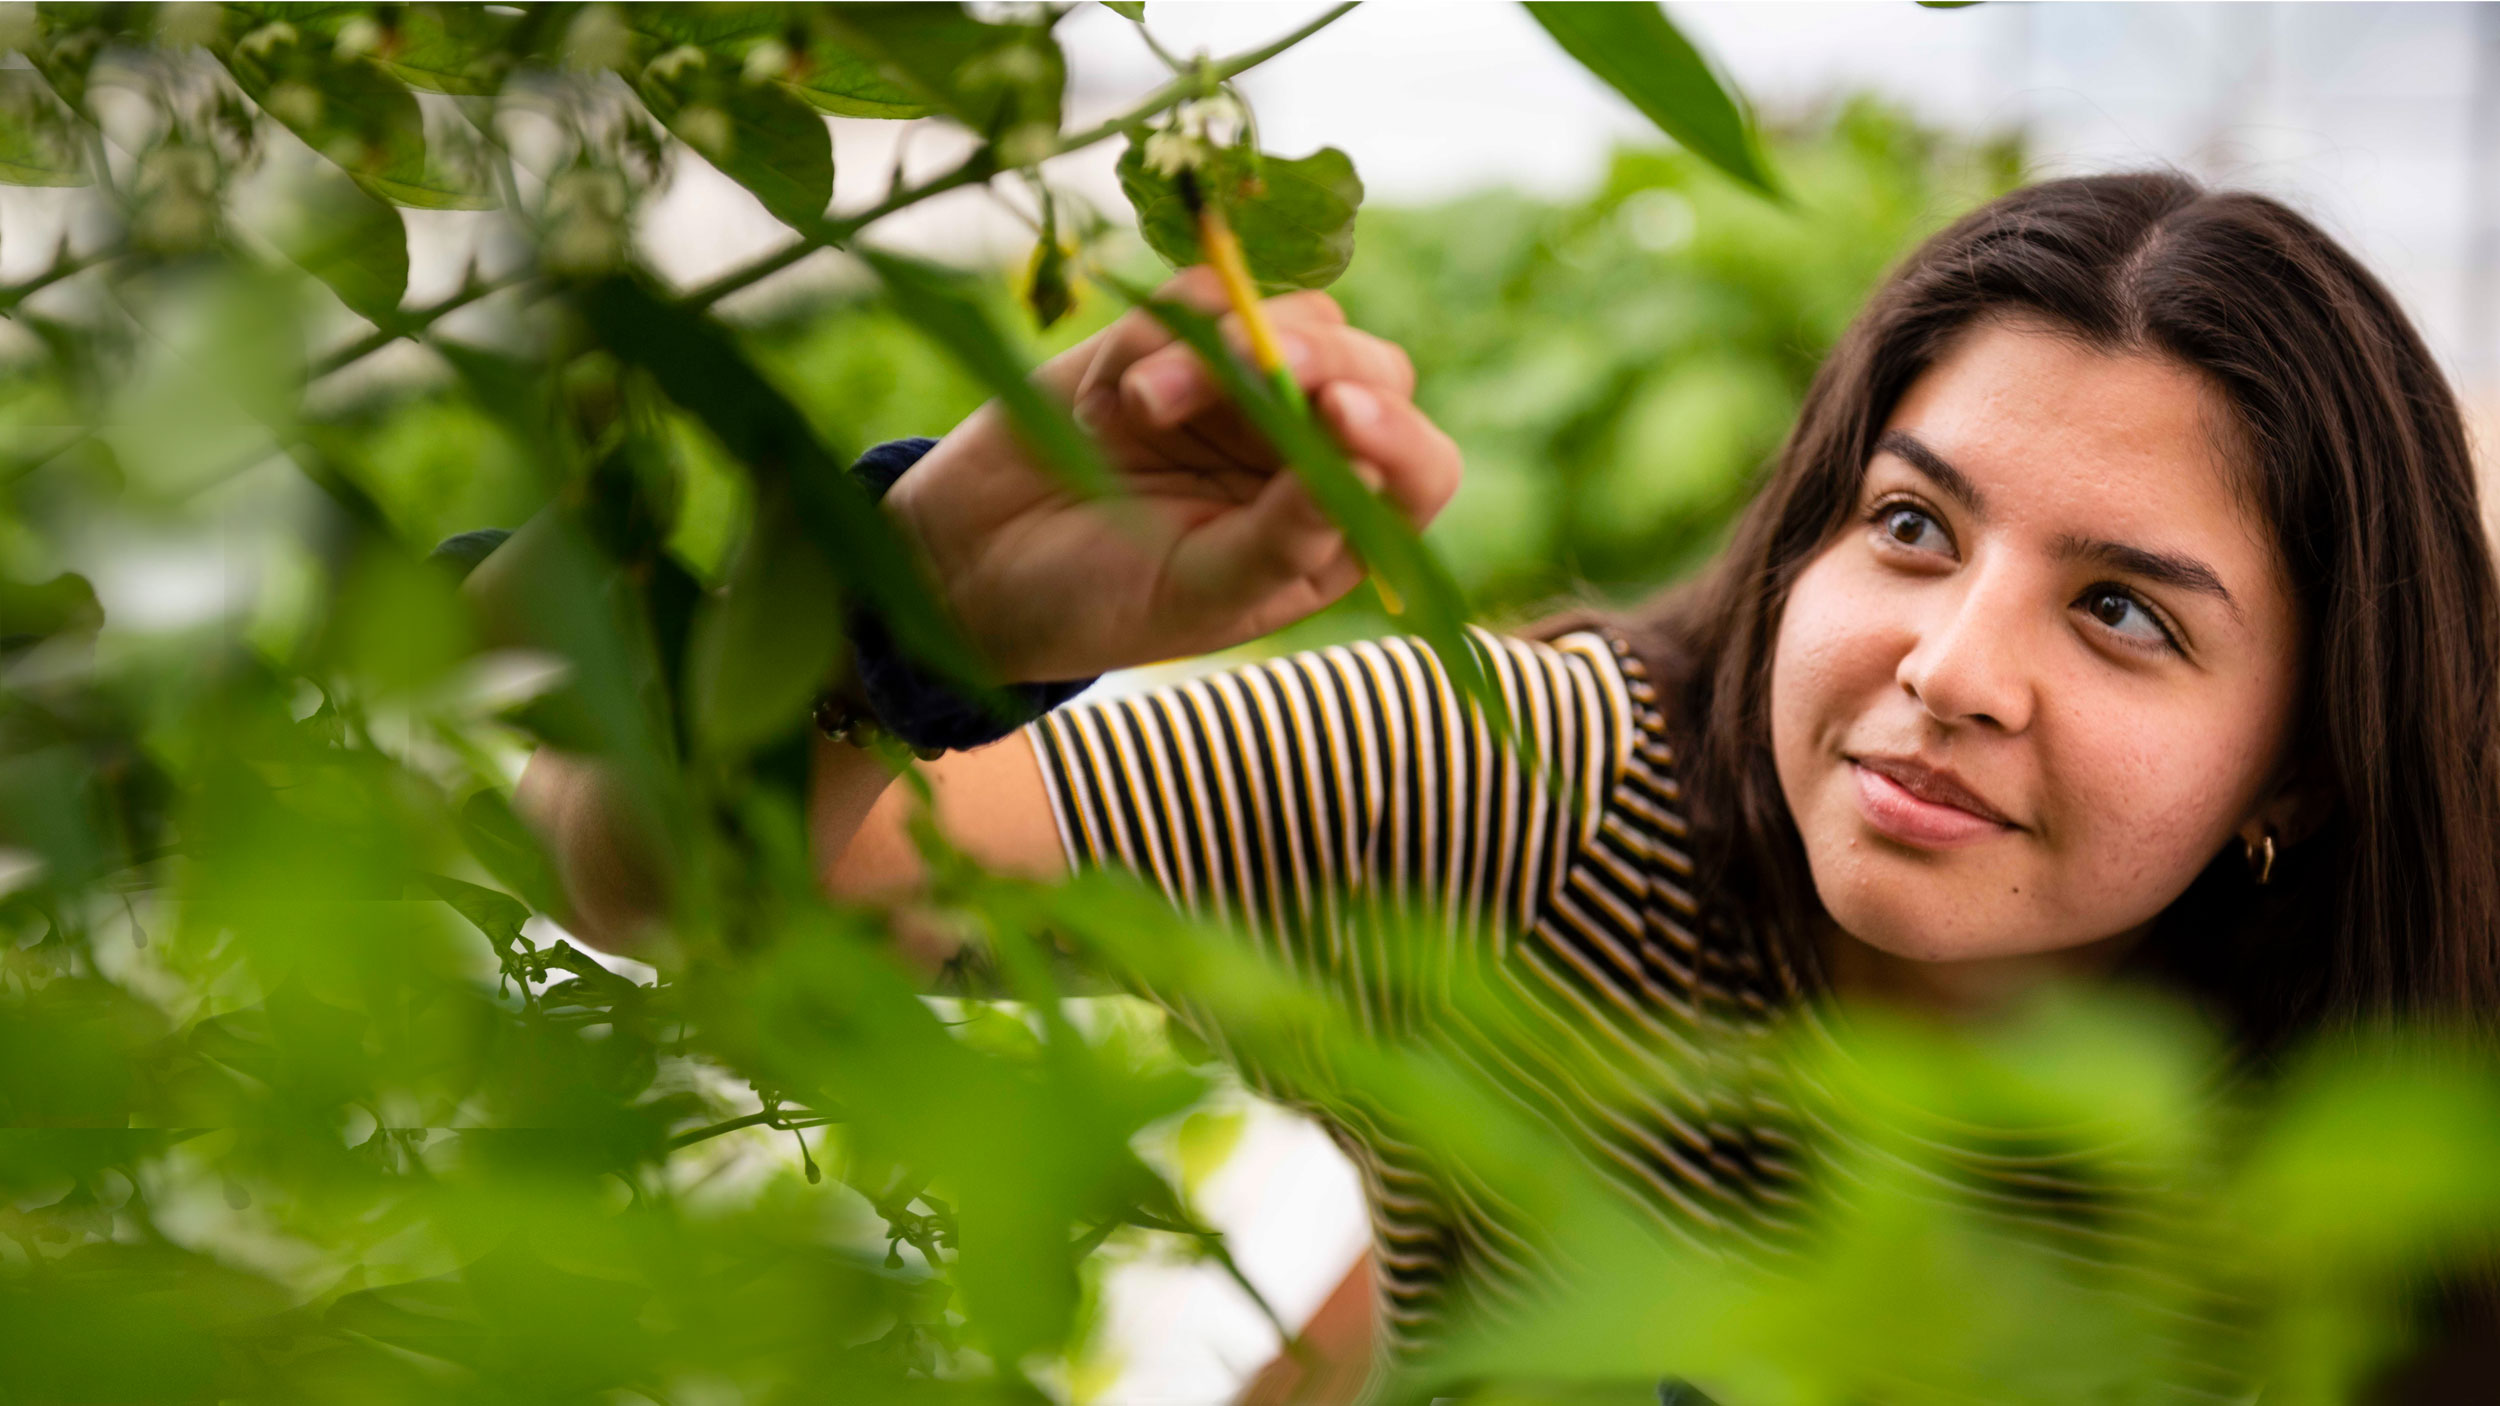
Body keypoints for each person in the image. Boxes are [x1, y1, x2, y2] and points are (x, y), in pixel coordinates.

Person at [516, 172, 2500, 1401]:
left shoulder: (2380, 1147)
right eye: (1908, 524)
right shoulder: (1529, 791)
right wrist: (918, 577)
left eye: (2125, 616)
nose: (1947, 667)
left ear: (2307, 769)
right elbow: (655, 878)